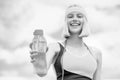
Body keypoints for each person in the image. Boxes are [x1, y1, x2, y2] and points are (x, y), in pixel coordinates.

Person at [30, 4, 102, 80]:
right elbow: (41, 72)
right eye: (70, 16)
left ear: (85, 21)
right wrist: (38, 61)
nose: (74, 19)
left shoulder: (96, 53)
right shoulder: (55, 47)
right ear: (65, 22)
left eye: (79, 16)